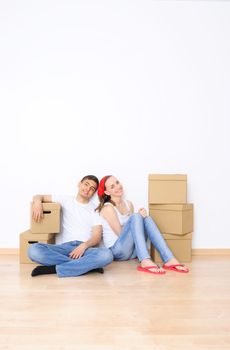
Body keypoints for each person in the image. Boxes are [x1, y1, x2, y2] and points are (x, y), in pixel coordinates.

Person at [96, 175, 189, 274]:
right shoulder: (108, 208)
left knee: (147, 218)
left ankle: (169, 259)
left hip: (132, 252)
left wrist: (142, 217)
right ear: (107, 192)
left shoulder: (128, 204)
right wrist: (137, 217)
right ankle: (145, 261)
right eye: (112, 186)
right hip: (118, 251)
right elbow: (121, 234)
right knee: (136, 216)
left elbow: (134, 232)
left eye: (117, 183)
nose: (118, 187)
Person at [28, 175, 113, 278]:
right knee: (33, 249)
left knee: (106, 255)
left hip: (85, 249)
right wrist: (37, 203)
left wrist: (83, 246)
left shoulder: (96, 209)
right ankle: (87, 266)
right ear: (79, 184)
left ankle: (55, 268)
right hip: (64, 248)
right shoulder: (65, 200)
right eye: (86, 184)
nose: (87, 189)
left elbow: (97, 237)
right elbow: (38, 196)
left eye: (92, 189)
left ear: (93, 193)